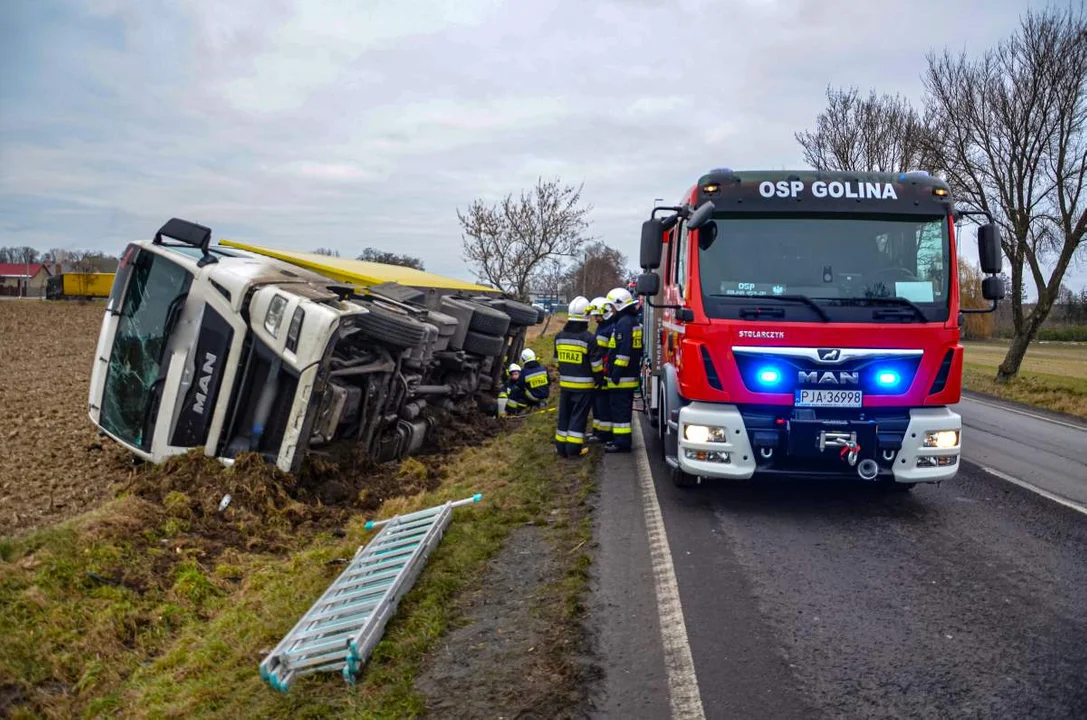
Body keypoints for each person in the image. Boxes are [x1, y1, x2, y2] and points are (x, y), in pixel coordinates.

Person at [553, 296, 602, 458]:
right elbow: (596, 365)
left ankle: (561, 448)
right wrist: (599, 380)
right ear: (586, 317)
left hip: (565, 385)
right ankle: (573, 450)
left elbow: (556, 361)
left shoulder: (559, 337)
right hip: (584, 387)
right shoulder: (589, 338)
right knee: (578, 417)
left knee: (564, 416)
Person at [604, 286, 643, 453]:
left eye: (611, 306)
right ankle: (621, 440)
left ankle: (621, 443)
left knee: (620, 411)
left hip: (622, 377)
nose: (610, 310)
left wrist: (616, 373)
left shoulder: (624, 323)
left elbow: (623, 352)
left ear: (618, 305)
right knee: (622, 410)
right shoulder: (631, 321)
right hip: (629, 375)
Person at [588, 296, 615, 444]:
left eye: (597, 316)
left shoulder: (608, 328)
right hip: (601, 372)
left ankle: (604, 434)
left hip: (604, 372)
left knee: (603, 404)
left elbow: (600, 352)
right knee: (598, 403)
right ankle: (597, 432)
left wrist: (599, 374)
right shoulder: (603, 326)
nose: (596, 319)